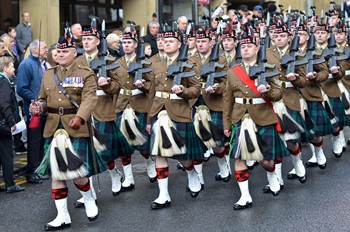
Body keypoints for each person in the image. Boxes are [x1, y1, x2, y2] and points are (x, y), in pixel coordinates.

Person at [35, 34, 100, 230]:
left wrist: (80, 117)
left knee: (78, 174)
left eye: (65, 51)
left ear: (74, 53)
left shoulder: (86, 73)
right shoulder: (48, 73)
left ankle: (88, 198)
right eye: (58, 51)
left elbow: (89, 99)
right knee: (57, 174)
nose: (61, 54)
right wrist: (38, 107)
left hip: (76, 127)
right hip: (54, 128)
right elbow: (42, 99)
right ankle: (62, 216)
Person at [223, 29, 289, 210]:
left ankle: (273, 175)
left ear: (257, 47)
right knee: (238, 158)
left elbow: (278, 94)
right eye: (243, 46)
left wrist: (267, 91)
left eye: (249, 46)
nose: (245, 49)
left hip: (263, 117)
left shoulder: (268, 68)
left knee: (266, 160)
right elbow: (227, 100)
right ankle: (245, 196)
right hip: (240, 118)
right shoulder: (233, 71)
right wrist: (226, 123)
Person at [74, 25, 134, 208]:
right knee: (84, 155)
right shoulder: (76, 62)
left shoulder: (108, 60)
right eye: (84, 39)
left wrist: (105, 84)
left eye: (89, 39)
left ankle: (115, 174)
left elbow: (117, 85)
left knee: (104, 154)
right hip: (83, 110)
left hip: (103, 109)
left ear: (98, 41)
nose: (86, 42)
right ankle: (88, 193)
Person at [148, 29, 205, 209]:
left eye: (171, 41)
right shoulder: (154, 63)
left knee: (183, 155)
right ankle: (163, 195)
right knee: (159, 154)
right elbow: (151, 93)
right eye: (164, 41)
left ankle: (191, 173)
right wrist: (149, 119)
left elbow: (196, 90)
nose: (166, 44)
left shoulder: (188, 64)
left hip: (179, 111)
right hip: (159, 112)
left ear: (179, 44)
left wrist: (183, 92)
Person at [193, 27, 230, 186]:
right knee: (196, 143)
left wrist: (216, 88)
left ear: (211, 42)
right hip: (195, 103)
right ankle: (198, 177)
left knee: (217, 144)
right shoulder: (190, 60)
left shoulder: (221, 60)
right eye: (198, 41)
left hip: (214, 103)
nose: (200, 44)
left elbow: (226, 83)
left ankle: (223, 166)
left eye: (203, 41)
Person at [17, 39, 48, 184]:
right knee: (34, 143)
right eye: (44, 47)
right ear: (35, 50)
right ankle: (31, 172)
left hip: (44, 110)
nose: (47, 49)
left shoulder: (42, 64)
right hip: (33, 111)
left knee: (41, 142)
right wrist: (36, 99)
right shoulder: (26, 65)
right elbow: (21, 88)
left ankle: (39, 169)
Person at [0, 56, 25, 193]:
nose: (14, 68)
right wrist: (11, 122)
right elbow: (4, 105)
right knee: (7, 155)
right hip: (3, 125)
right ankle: (10, 184)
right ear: (5, 68)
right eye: (11, 66)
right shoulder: (3, 82)